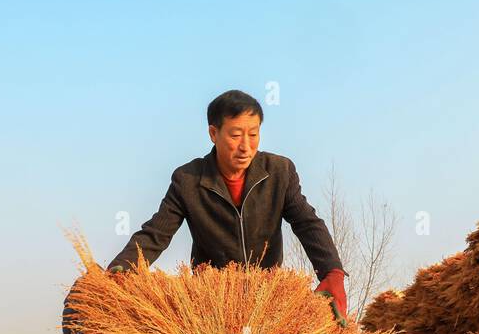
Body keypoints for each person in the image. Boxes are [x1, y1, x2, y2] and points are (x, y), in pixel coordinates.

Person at [108, 89, 348, 321]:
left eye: (253, 134)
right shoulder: (188, 180)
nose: (246, 146)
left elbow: (307, 223)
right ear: (214, 133)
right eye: (235, 135)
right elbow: (155, 234)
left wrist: (332, 271)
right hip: (210, 304)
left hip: (267, 302)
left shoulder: (279, 172)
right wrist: (120, 271)